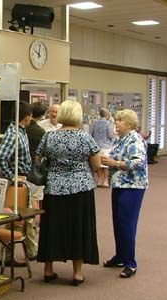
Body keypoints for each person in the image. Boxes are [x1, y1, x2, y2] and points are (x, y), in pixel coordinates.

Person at [36, 100, 100, 286]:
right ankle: (77, 273)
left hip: (54, 188)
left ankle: (48, 270)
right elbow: (96, 165)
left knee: (52, 227)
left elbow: (38, 158)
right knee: (78, 228)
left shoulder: (49, 137)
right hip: (81, 189)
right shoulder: (85, 138)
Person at [100, 109, 148, 278]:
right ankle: (120, 256)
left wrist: (115, 163)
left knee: (127, 224)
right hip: (119, 185)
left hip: (133, 187)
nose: (117, 123)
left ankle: (130, 262)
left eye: (120, 120)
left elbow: (139, 162)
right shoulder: (120, 140)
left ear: (129, 123)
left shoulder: (135, 139)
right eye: (116, 120)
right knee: (118, 222)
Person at [0, 101, 36, 266]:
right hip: (17, 181)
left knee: (25, 218)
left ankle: (30, 252)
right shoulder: (14, 134)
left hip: (23, 180)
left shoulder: (20, 131)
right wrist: (12, 177)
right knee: (14, 219)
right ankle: (7, 257)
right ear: (27, 117)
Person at [25, 102, 48, 227]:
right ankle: (33, 226)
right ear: (42, 116)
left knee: (25, 197)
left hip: (23, 167)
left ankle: (27, 224)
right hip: (36, 167)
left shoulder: (23, 129)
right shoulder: (41, 132)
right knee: (35, 198)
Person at [90, 108, 114, 187]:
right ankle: (106, 181)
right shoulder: (108, 124)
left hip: (97, 146)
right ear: (107, 115)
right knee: (106, 164)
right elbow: (110, 135)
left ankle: (99, 180)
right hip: (106, 146)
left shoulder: (95, 123)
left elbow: (91, 134)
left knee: (99, 164)